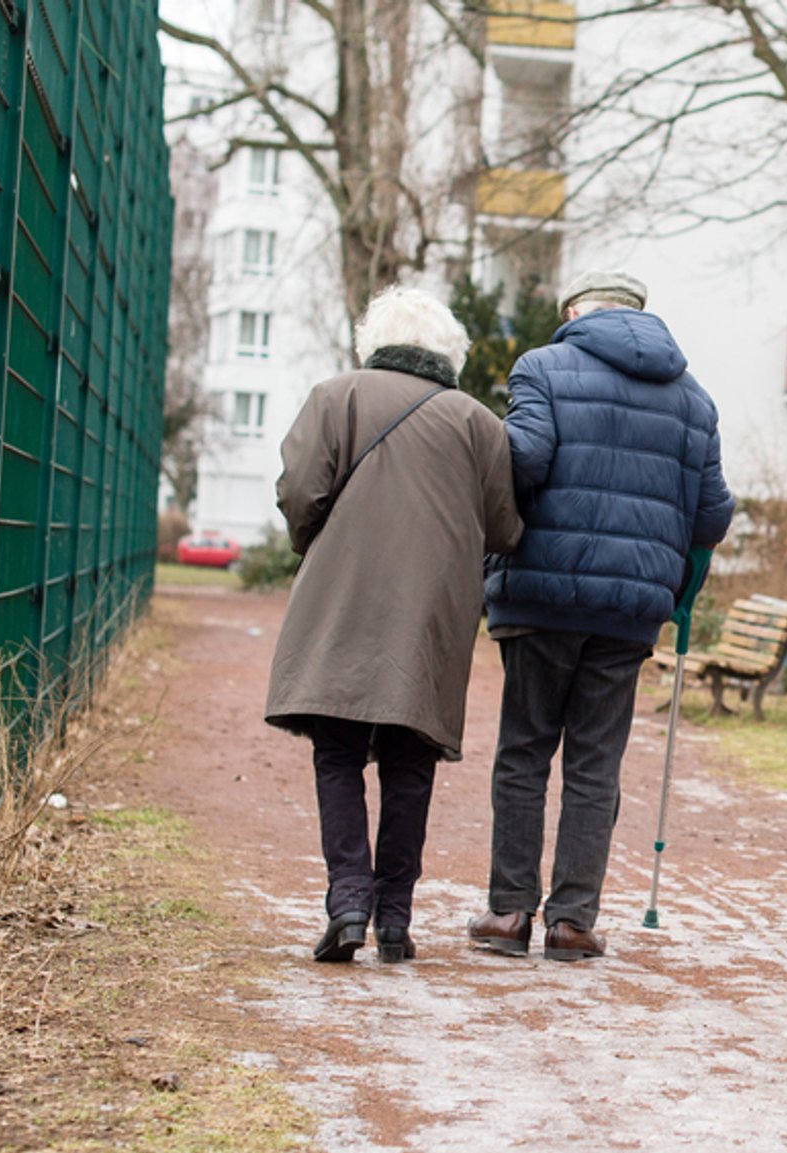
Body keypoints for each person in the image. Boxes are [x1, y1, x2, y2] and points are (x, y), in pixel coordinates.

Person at [468, 270, 734, 962]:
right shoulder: (694, 400)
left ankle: (509, 912)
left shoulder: (541, 367)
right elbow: (712, 515)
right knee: (596, 761)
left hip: (540, 595)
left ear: (574, 311)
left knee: (525, 750)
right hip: (629, 610)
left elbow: (522, 458)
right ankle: (572, 921)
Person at [265, 286, 522, 964]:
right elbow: (505, 527)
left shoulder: (335, 395)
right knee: (411, 759)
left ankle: (348, 897)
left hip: (344, 593)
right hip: (433, 609)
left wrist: (315, 539)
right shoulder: (478, 423)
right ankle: (396, 917)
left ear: (373, 340)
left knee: (339, 748)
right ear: (449, 352)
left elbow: (298, 492)